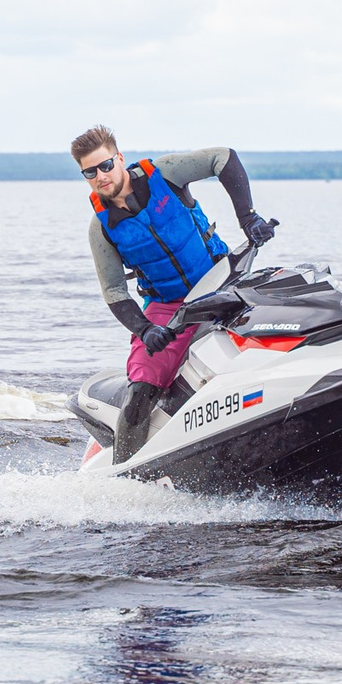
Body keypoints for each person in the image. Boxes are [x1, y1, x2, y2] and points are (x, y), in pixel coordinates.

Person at [72, 125, 276, 462]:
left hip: (222, 279)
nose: (101, 176)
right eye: (90, 172)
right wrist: (144, 330)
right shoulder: (102, 228)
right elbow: (114, 292)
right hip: (169, 308)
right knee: (140, 389)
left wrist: (248, 217)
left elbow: (222, 158)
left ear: (119, 159)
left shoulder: (164, 174)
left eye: (106, 165)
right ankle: (125, 476)